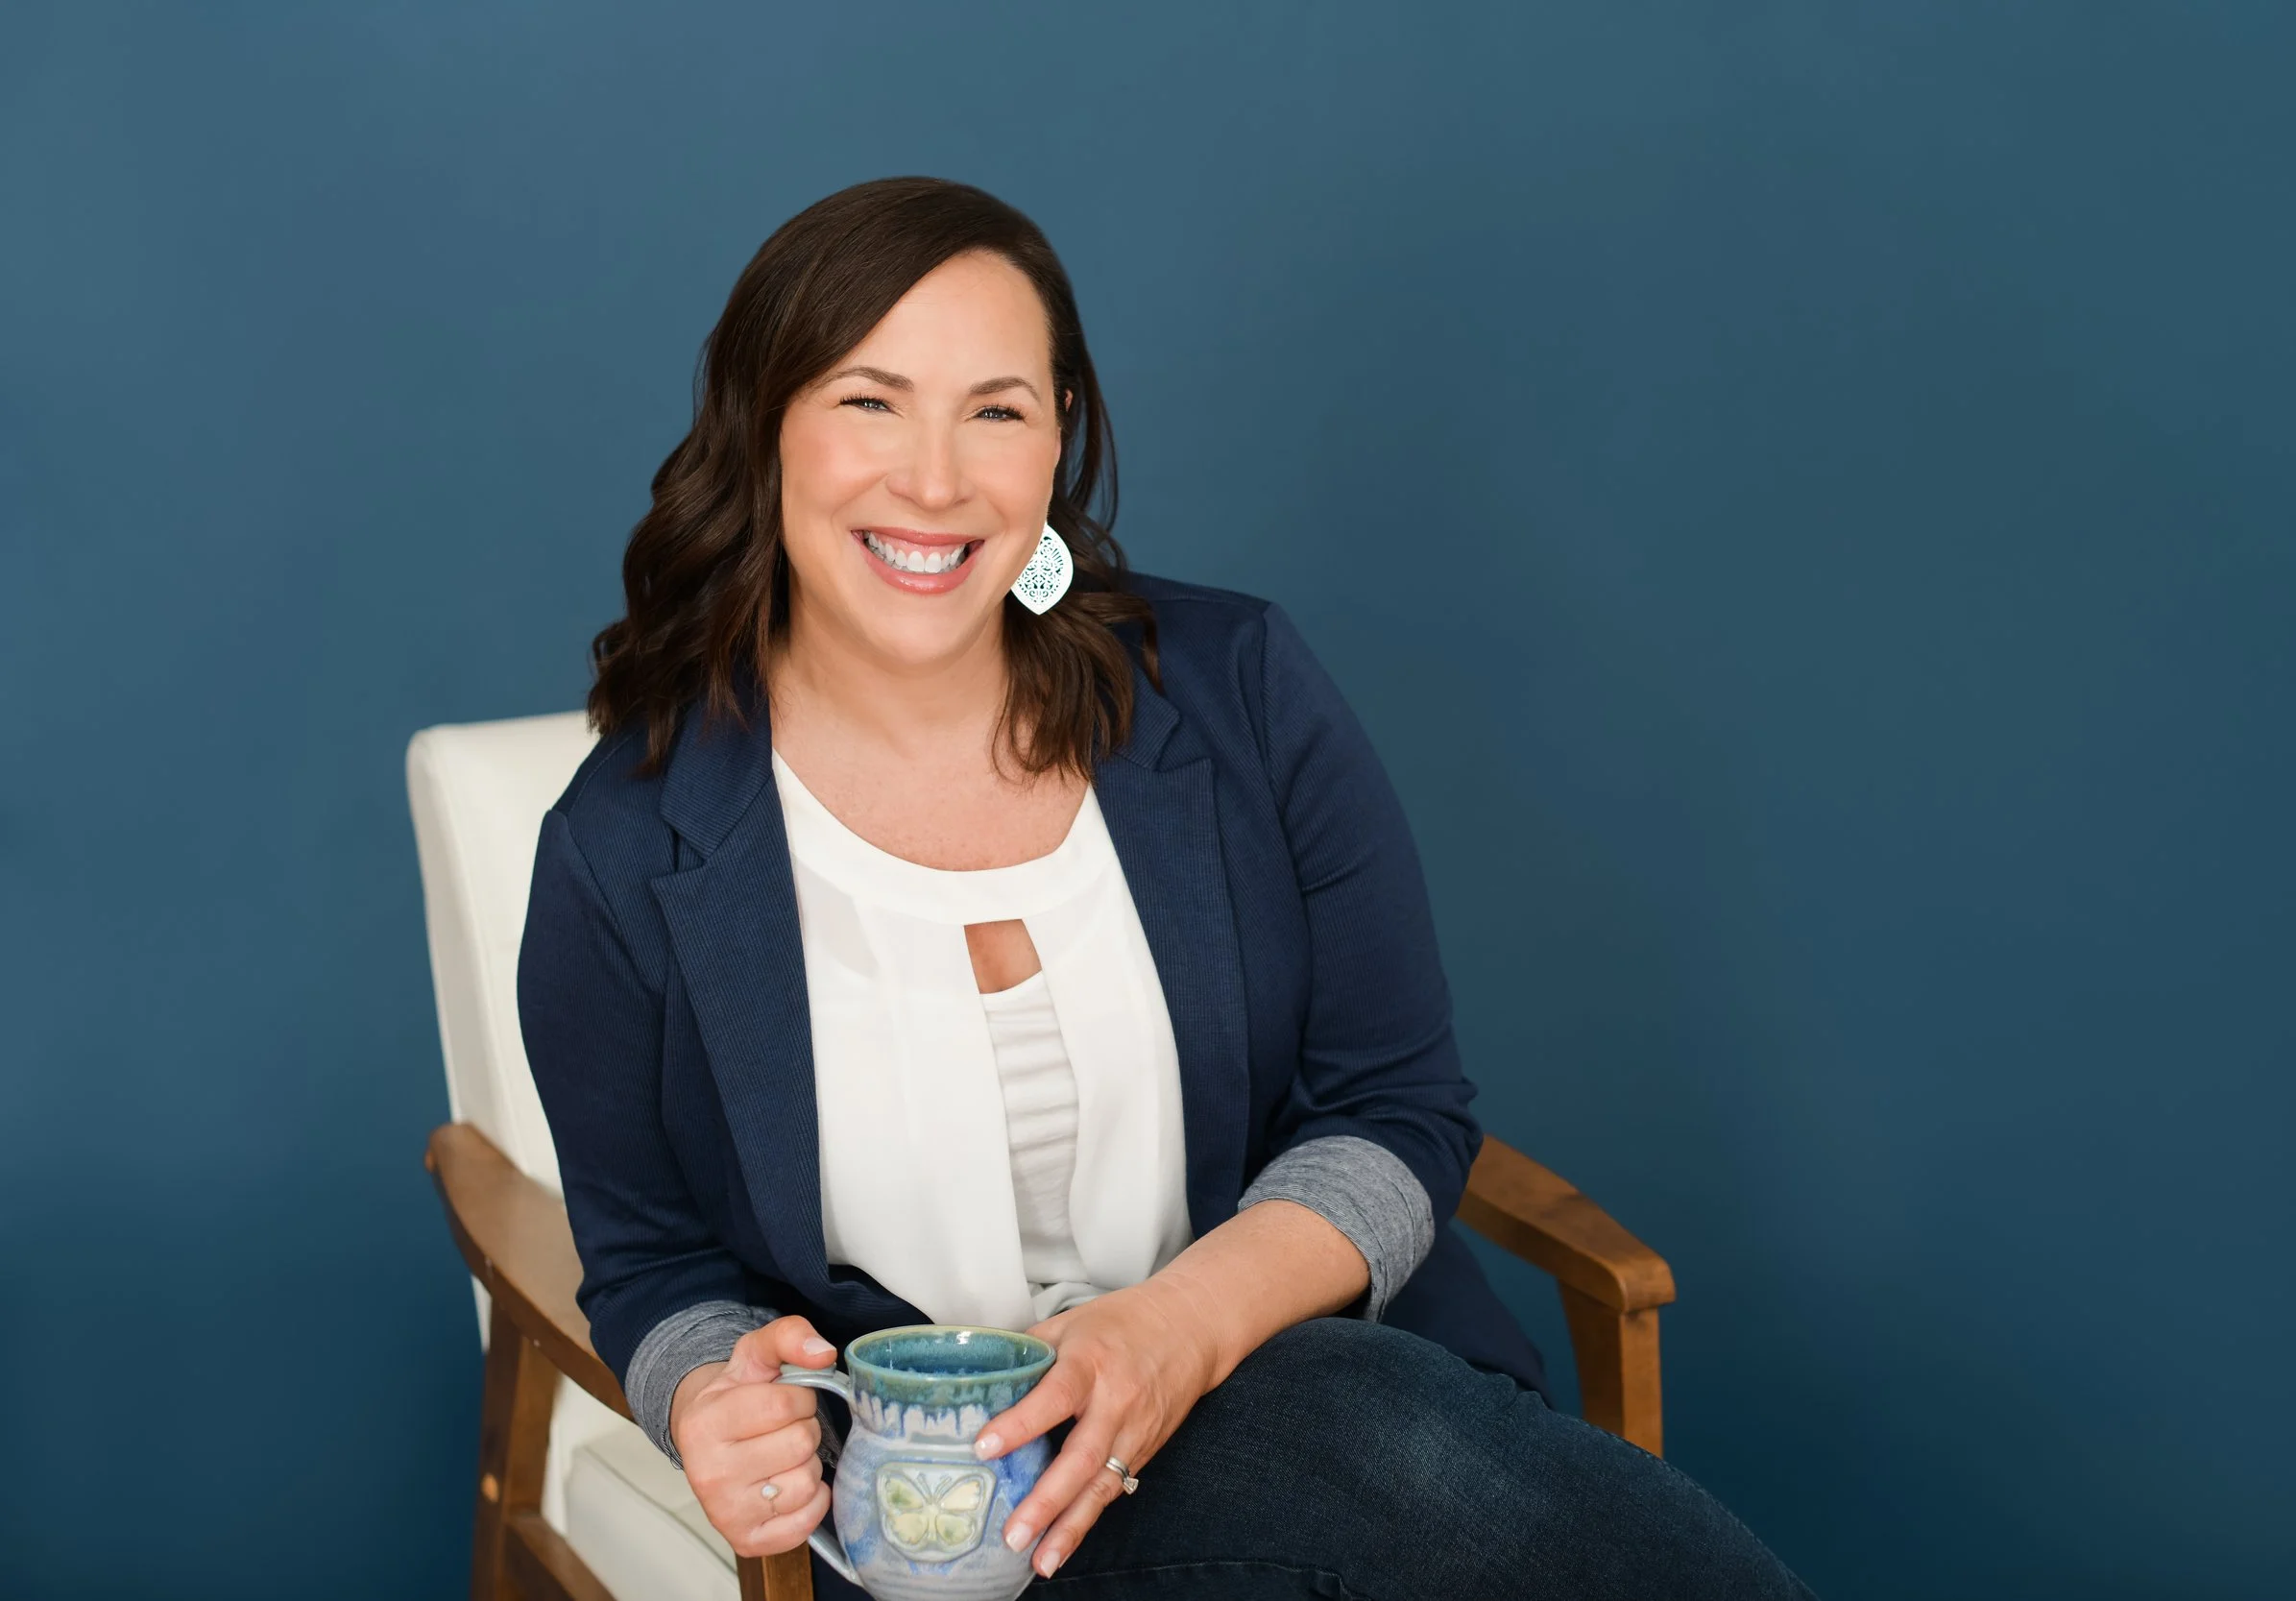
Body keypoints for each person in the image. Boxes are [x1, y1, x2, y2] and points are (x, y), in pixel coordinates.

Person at [520, 175, 1811, 1600]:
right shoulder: (624, 849)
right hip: (966, 1525)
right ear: (763, 428)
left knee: (1334, 1410)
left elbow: (1397, 1107)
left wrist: (1174, 1331)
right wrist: (710, 1392)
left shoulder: (1236, 690)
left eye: (996, 410)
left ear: (1059, 437)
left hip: (1329, 1428)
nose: (935, 481)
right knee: (1357, 1438)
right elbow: (653, 1263)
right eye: (870, 401)